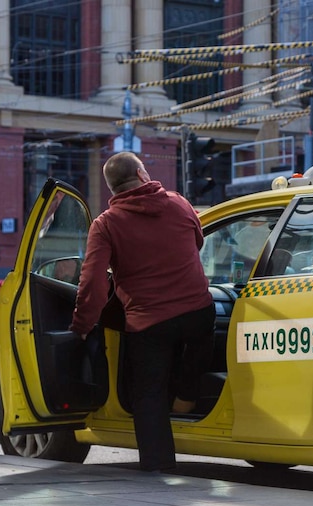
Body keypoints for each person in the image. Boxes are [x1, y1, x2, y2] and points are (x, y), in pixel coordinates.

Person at [69, 152, 215, 472]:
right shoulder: (179, 203)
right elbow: (198, 240)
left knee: (148, 394)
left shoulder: (106, 224)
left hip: (149, 323)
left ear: (112, 187)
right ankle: (188, 393)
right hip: (198, 311)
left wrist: (81, 327)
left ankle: (158, 465)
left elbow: (91, 283)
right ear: (141, 172)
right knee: (201, 346)